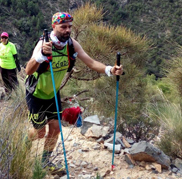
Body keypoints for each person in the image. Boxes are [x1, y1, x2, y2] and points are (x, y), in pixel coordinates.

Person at [25, 12, 123, 169]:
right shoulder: (44, 44)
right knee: (40, 133)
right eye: (63, 27)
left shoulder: (71, 45)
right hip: (36, 93)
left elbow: (91, 62)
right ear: (53, 27)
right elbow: (28, 71)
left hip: (53, 94)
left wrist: (110, 70)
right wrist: (41, 56)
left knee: (56, 129)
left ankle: (45, 162)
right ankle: (24, 142)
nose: (67, 30)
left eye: (70, 27)